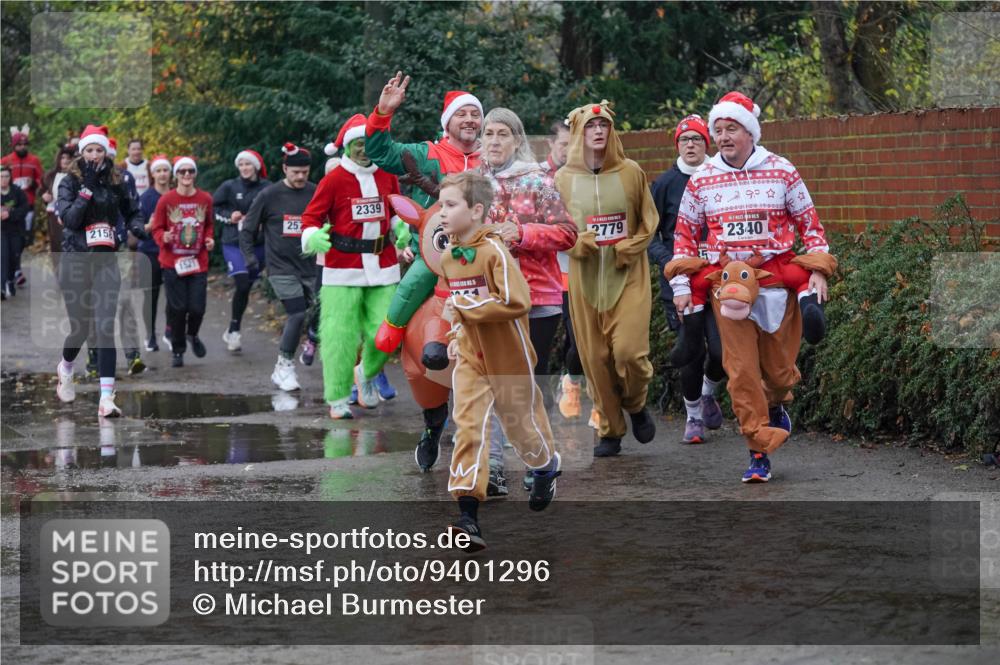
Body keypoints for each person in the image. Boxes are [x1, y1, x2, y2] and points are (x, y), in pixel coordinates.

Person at [666, 91, 836, 482]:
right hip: (729, 288)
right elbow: (684, 238)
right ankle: (757, 450)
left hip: (776, 283)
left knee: (777, 373)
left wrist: (818, 269)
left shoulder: (781, 170)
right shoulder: (702, 180)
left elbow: (812, 228)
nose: (724, 136)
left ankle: (778, 404)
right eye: (719, 130)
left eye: (732, 129)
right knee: (740, 370)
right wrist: (680, 285)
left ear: (750, 132)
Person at [438, 171, 562, 551]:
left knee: (521, 428)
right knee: (468, 427)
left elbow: (517, 302)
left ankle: (545, 466)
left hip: (509, 355)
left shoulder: (494, 252)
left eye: (450, 205)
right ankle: (467, 516)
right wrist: (457, 336)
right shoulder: (448, 256)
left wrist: (464, 307)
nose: (441, 213)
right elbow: (458, 310)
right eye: (441, 205)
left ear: (476, 210)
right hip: (471, 359)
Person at [479, 107, 576, 495]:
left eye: (503, 134)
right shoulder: (472, 184)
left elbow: (568, 234)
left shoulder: (538, 181)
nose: (494, 141)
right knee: (496, 384)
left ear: (517, 140)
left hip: (537, 297)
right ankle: (496, 467)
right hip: (489, 297)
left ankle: (541, 464)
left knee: (527, 385)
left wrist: (520, 233)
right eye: (488, 133)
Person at [554, 101, 658, 457]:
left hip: (628, 275)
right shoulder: (563, 179)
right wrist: (575, 242)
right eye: (591, 126)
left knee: (629, 353)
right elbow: (557, 228)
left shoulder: (631, 172)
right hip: (584, 280)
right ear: (579, 133)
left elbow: (649, 220)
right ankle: (610, 430)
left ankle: (636, 403)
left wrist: (633, 245)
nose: (598, 131)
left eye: (604, 125)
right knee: (595, 358)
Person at [366, 71, 483, 354]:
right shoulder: (425, 153)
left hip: (482, 255)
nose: (469, 119)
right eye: (461, 114)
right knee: (414, 283)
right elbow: (381, 153)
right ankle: (392, 327)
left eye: (475, 114)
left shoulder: (492, 157)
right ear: (447, 122)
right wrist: (383, 112)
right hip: (434, 254)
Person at [299, 117, 404, 417]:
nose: (364, 150)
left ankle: (366, 373)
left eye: (369, 144)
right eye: (359, 144)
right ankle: (337, 398)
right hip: (341, 268)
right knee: (339, 336)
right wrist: (312, 236)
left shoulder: (386, 174)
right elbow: (310, 218)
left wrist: (403, 228)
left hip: (382, 266)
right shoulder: (333, 180)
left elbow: (394, 211)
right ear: (347, 146)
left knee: (386, 333)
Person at [53, 124, 145, 417]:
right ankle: (66, 368)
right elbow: (69, 220)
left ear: (106, 152)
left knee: (105, 327)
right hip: (76, 260)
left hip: (106, 259)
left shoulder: (117, 179)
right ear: (82, 153)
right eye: (89, 150)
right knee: (81, 327)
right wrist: (87, 189)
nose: (94, 155)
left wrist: (134, 225)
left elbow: (132, 209)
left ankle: (106, 398)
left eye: (99, 150)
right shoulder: (68, 182)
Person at [648, 114, 725, 444]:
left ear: (705, 143)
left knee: (722, 352)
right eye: (684, 140)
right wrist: (672, 263)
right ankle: (693, 416)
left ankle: (709, 391)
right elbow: (649, 237)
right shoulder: (664, 184)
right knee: (691, 352)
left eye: (696, 139)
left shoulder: (719, 176)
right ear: (677, 145)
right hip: (680, 285)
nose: (690, 145)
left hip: (720, 279)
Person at [240, 142, 317, 392]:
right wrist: (251, 258)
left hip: (312, 267)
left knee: (319, 312)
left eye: (305, 172)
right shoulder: (269, 195)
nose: (300, 177)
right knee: (296, 313)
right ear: (284, 169)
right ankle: (284, 366)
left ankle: (312, 340)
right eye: (295, 172)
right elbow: (248, 229)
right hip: (280, 267)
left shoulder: (315, 192)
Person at [150, 156, 215, 367]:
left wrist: (209, 239)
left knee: (197, 307)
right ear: (176, 175)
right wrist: (163, 237)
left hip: (198, 262)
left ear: (195, 174)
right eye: (182, 172)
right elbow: (157, 227)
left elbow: (209, 225)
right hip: (172, 261)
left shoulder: (205, 199)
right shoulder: (166, 200)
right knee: (177, 309)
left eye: (190, 171)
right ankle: (178, 349)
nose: (187, 175)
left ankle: (193, 335)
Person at [215, 148, 270, 353]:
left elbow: (275, 211)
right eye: (241, 165)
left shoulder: (267, 187)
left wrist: (265, 222)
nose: (245, 168)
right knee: (242, 281)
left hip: (258, 244)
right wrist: (230, 216)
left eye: (248, 164)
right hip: (233, 242)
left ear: (255, 166)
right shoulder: (229, 186)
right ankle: (235, 330)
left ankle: (232, 327)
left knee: (246, 286)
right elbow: (214, 208)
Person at [137, 155, 172, 352]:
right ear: (153, 174)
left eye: (165, 170)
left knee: (174, 296)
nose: (162, 174)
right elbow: (137, 228)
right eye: (158, 171)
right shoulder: (146, 198)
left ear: (170, 173)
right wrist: (150, 226)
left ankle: (169, 330)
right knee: (150, 296)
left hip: (173, 252)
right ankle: (150, 335)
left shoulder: (176, 196)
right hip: (149, 252)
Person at [2, 125, 44, 287]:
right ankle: (15, 271)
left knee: (22, 239)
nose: (22, 147)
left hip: (27, 206)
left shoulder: (34, 161)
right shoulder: (5, 161)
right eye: (19, 145)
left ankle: (15, 269)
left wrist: (34, 183)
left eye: (25, 144)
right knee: (7, 240)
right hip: (6, 208)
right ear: (14, 146)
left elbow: (42, 180)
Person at [40, 145, 76, 253]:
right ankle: (58, 269)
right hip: (54, 214)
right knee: (57, 242)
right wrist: (44, 196)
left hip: (72, 213)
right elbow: (41, 190)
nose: (65, 161)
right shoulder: (50, 176)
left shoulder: (76, 175)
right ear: (58, 159)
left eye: (68, 158)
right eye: (63, 158)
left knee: (72, 242)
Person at [1, 165, 30, 298]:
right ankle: (1, 287)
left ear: (10, 177)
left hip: (16, 231)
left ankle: (10, 281)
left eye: (7, 176)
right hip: (1, 231)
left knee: (14, 257)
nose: (4, 179)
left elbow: (24, 208)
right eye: (1, 177)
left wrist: (10, 214)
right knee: (3, 257)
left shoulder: (17, 191)